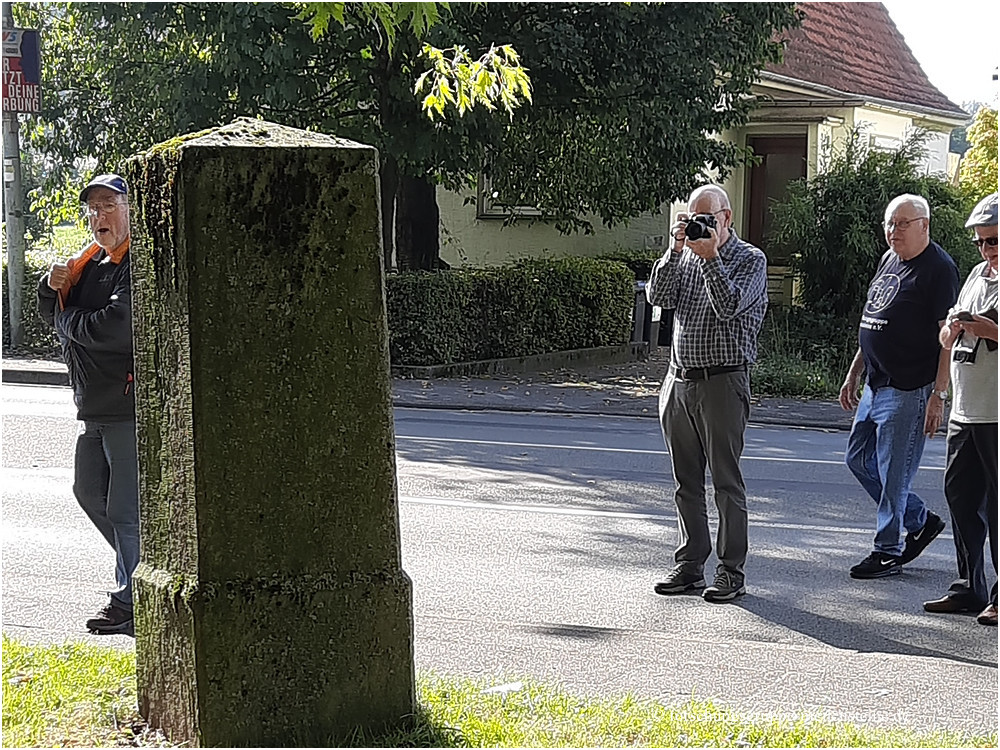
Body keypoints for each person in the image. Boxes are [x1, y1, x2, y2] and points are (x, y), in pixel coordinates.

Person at [646, 184, 768, 602]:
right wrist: (674, 249)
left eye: (707, 219)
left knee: (726, 483)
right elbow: (658, 298)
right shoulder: (684, 257)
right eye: (692, 218)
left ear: (727, 219)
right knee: (686, 482)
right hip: (679, 380)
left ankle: (731, 570)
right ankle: (689, 563)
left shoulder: (749, 260)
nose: (699, 225)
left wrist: (711, 256)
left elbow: (729, 306)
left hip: (723, 380)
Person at [37, 174, 137, 636]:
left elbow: (117, 329)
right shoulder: (91, 262)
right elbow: (57, 310)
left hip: (126, 404)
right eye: (93, 209)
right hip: (94, 405)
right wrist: (49, 286)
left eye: (108, 206)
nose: (99, 216)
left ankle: (129, 599)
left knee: (124, 510)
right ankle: (136, 572)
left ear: (129, 208)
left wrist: (66, 319)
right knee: (87, 491)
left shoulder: (135, 263)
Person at [839, 194, 959, 580]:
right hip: (876, 382)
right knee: (858, 460)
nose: (893, 232)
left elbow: (949, 337)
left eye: (902, 224)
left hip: (909, 386)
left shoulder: (939, 269)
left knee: (894, 474)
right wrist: (854, 372)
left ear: (924, 225)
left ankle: (887, 550)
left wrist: (939, 395)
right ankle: (919, 521)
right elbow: (873, 317)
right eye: (889, 224)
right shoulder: (890, 258)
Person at [923, 192, 998, 626]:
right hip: (966, 411)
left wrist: (990, 329)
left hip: (998, 412)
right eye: (981, 242)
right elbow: (946, 337)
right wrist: (952, 328)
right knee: (961, 499)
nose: (988, 250)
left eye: (994, 241)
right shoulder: (974, 275)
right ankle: (970, 587)